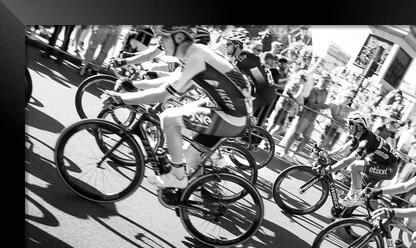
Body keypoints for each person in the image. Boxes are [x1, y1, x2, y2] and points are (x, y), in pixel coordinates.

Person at [102, 26, 252, 189]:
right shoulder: (194, 53)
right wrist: (133, 84)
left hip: (232, 118)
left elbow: (163, 94)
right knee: (187, 156)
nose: (159, 41)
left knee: (169, 117)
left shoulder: (196, 58)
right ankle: (191, 195)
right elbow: (166, 82)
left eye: (163, 37)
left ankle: (178, 179)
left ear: (179, 38)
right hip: (226, 111)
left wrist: (121, 99)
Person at [321, 111, 400, 207]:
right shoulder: (359, 135)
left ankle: (358, 198)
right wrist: (328, 155)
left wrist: (329, 169)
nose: (347, 125)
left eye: (350, 123)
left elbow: (347, 161)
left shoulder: (365, 141)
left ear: (359, 127)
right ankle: (345, 212)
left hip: (389, 168)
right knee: (355, 190)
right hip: (378, 163)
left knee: (355, 166)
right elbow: (344, 149)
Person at [277, 73, 331, 159]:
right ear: (320, 79)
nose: (326, 82)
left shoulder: (326, 92)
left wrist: (323, 105)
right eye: (324, 80)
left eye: (328, 81)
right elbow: (311, 104)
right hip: (305, 115)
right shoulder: (314, 89)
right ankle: (285, 152)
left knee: (307, 138)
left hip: (313, 117)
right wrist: (324, 106)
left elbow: (318, 105)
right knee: (296, 135)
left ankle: (293, 153)